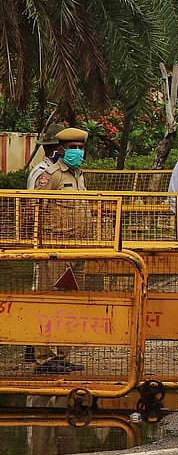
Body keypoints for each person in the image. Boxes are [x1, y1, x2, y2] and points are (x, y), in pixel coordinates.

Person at [29, 126, 90, 374]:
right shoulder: (50, 175)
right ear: (61, 149)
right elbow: (34, 206)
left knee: (71, 301)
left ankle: (62, 354)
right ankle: (45, 356)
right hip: (55, 246)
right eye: (72, 148)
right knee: (49, 299)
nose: (77, 152)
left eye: (80, 147)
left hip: (79, 247)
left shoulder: (79, 175)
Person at [26, 124, 63, 189]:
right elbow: (32, 197)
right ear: (46, 149)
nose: (61, 151)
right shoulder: (41, 171)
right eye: (58, 147)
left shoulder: (63, 170)